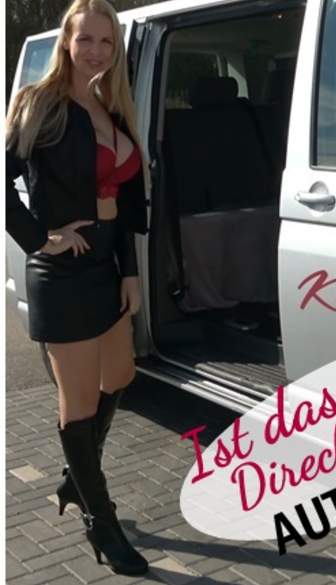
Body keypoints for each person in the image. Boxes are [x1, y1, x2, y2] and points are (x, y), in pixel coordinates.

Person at [5, 0, 149, 576]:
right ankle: (101, 521)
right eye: (85, 38)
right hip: (61, 275)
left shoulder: (111, 108)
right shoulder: (39, 104)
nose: (96, 50)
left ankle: (75, 476)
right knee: (80, 403)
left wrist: (131, 273)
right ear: (66, 41)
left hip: (106, 269)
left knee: (122, 376)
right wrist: (40, 239)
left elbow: (129, 203)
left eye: (106, 41)